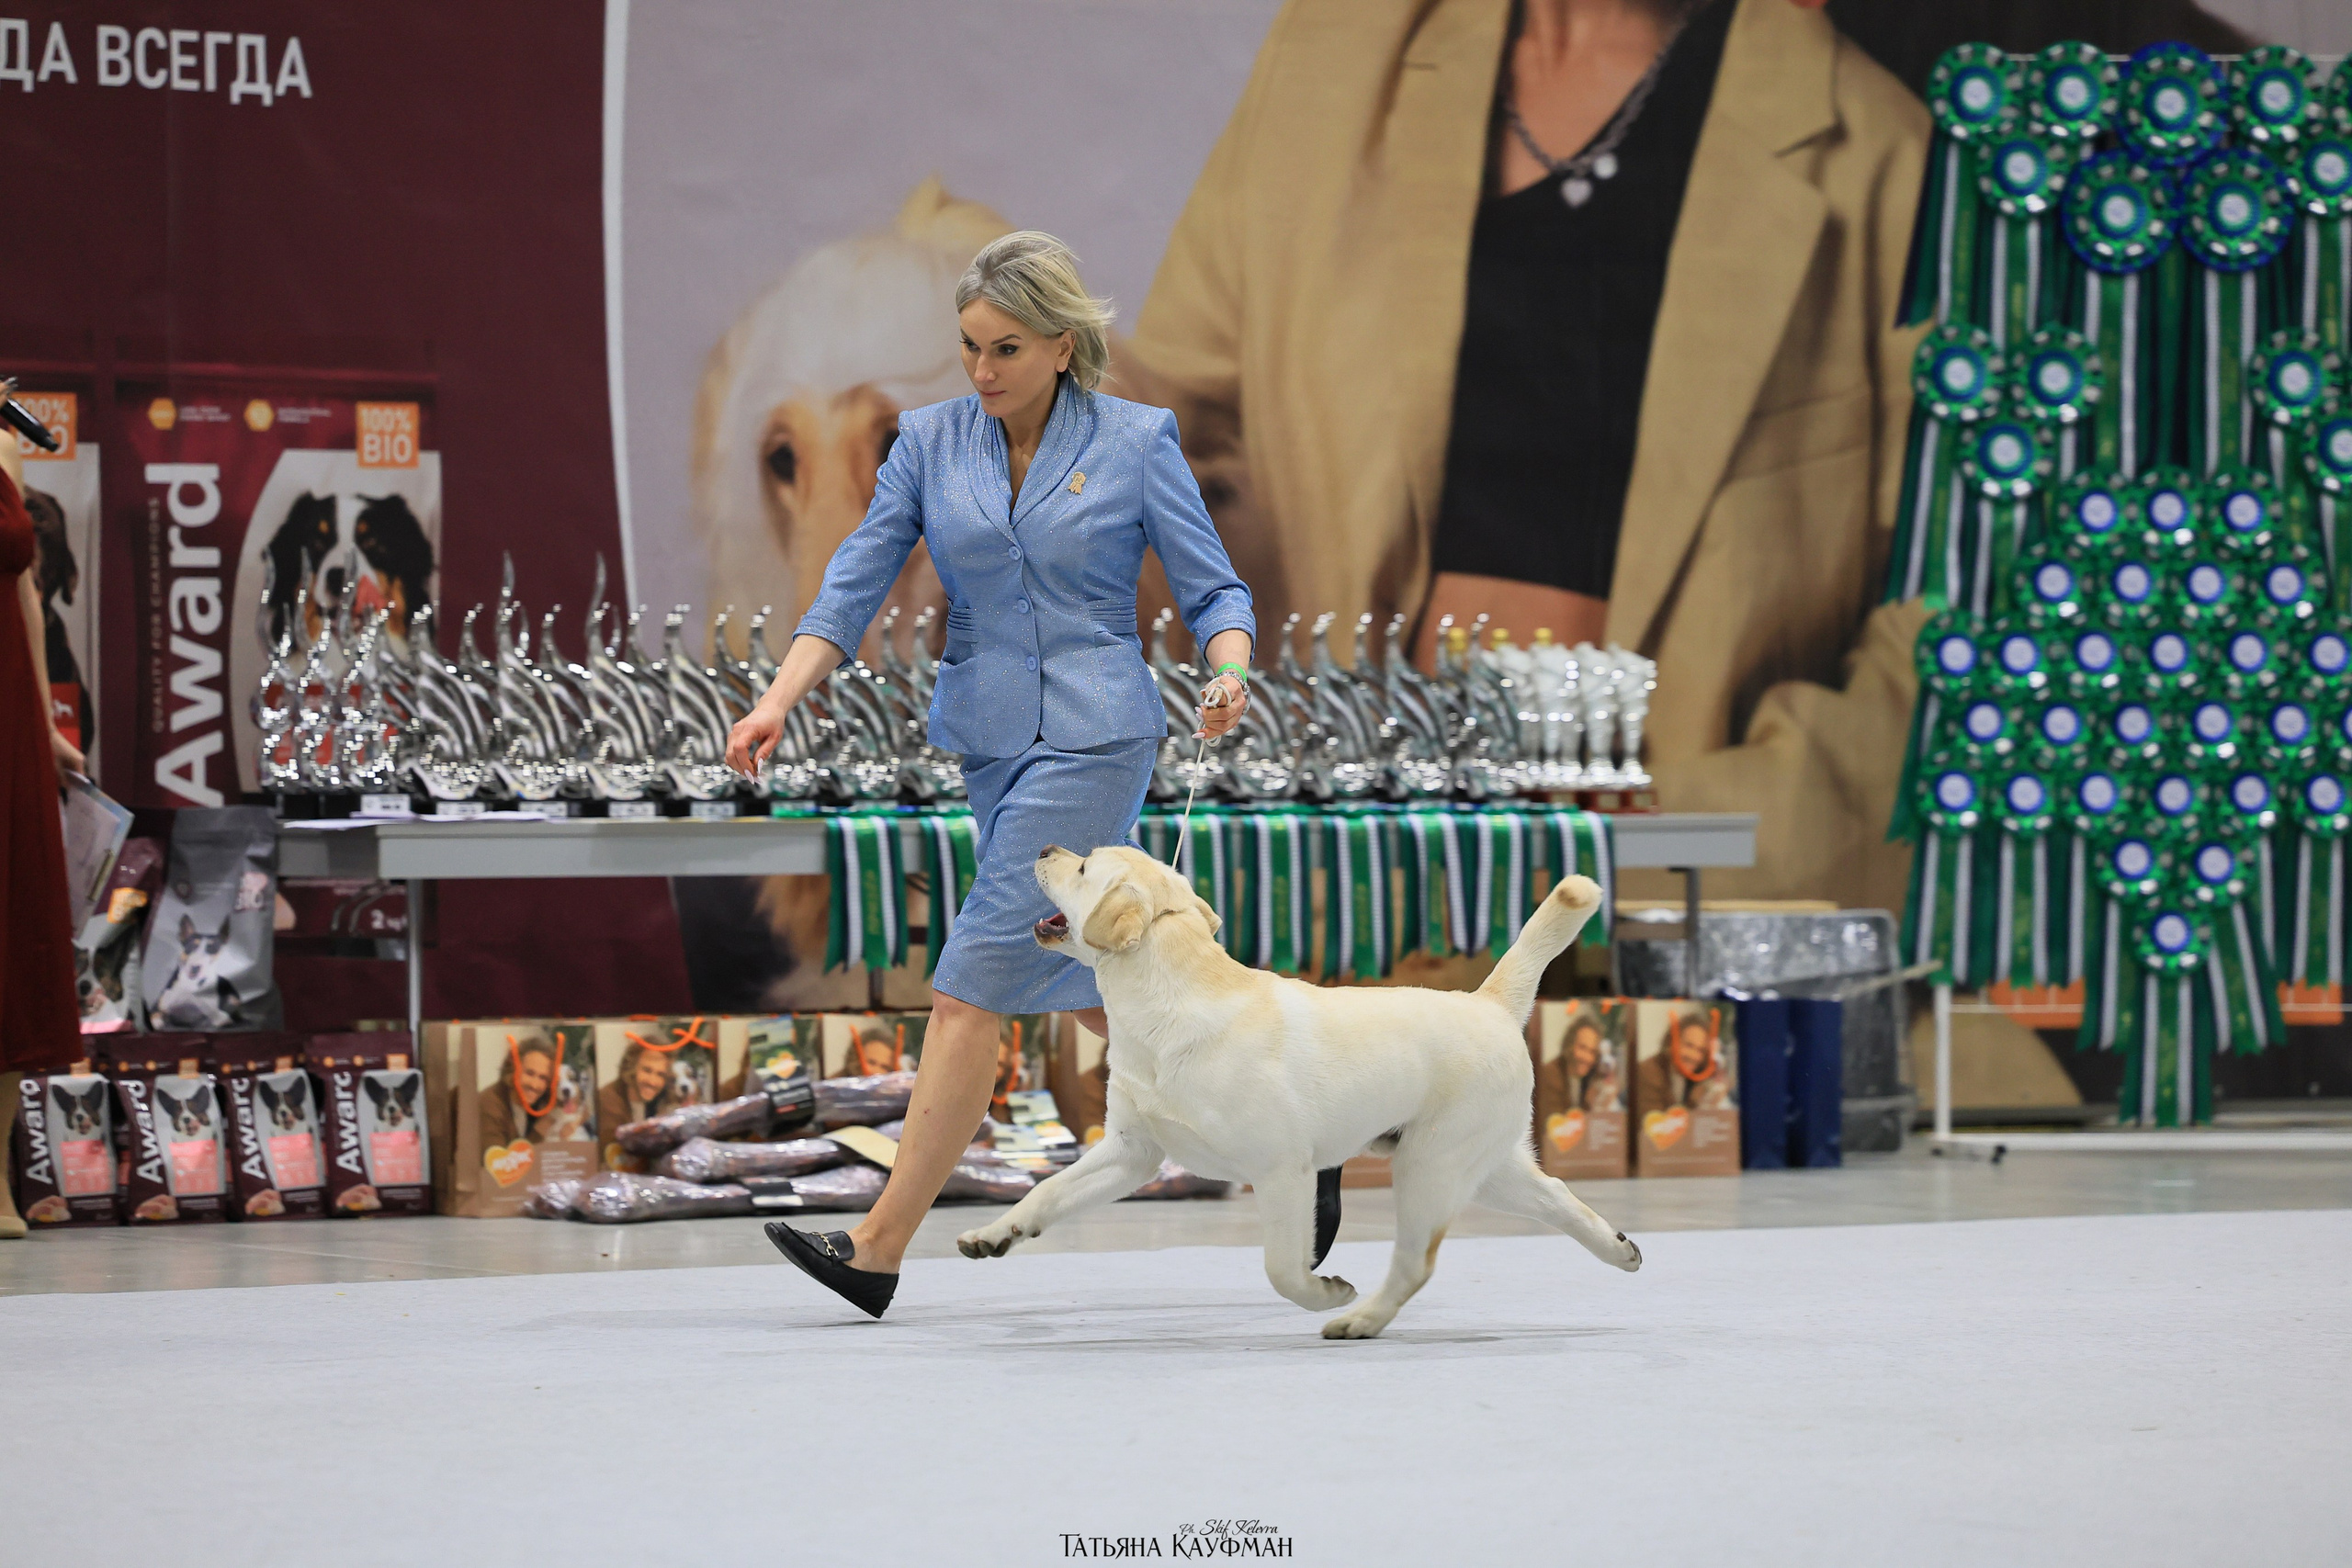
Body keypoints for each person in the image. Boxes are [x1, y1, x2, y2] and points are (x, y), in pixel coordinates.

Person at [1129, 0, 1931, 916]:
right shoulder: (1329, 61)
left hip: (1654, 914)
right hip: (1343, 891)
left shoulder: (1884, 156)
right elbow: (1174, 454)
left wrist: (1675, 836)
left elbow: (1946, 639)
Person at [727, 231, 1257, 1318]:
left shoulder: (1137, 441)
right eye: (968, 347)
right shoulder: (926, 444)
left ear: (1064, 345)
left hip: (1098, 739)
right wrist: (780, 696)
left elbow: (1216, 592)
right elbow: (852, 583)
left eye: (1005, 348)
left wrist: (1228, 668)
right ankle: (1303, 1136)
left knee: (968, 990)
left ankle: (876, 1250)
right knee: (1098, 990)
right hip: (989, 741)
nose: (981, 370)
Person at [0, 429, 85, 1240]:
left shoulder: (3, 443)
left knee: (12, 932)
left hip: (6, 710)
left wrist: (44, 719)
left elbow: (25, 587)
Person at [478, 1032, 556, 1148]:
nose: (535, 1085)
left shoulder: (537, 1103)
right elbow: (498, 1163)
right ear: (513, 1069)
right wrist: (541, 1130)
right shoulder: (490, 1105)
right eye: (529, 1073)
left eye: (543, 1078)